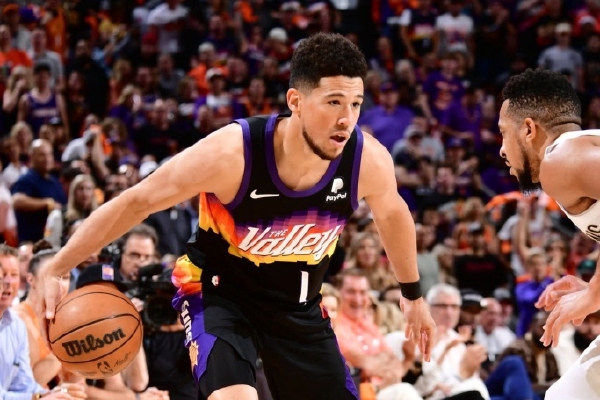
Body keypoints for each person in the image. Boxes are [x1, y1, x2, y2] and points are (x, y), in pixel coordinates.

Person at [39, 33, 435, 400]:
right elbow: (137, 202)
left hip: (298, 307)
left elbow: (393, 214)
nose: (346, 118)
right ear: (295, 101)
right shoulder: (233, 154)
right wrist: (59, 267)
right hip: (219, 295)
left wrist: (412, 294)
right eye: (333, 102)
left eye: (355, 104)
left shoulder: (366, 160)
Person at [498, 67, 600, 399]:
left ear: (529, 129)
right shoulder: (577, 154)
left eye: (503, 133)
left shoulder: (560, 159)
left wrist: (593, 292)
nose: (501, 150)